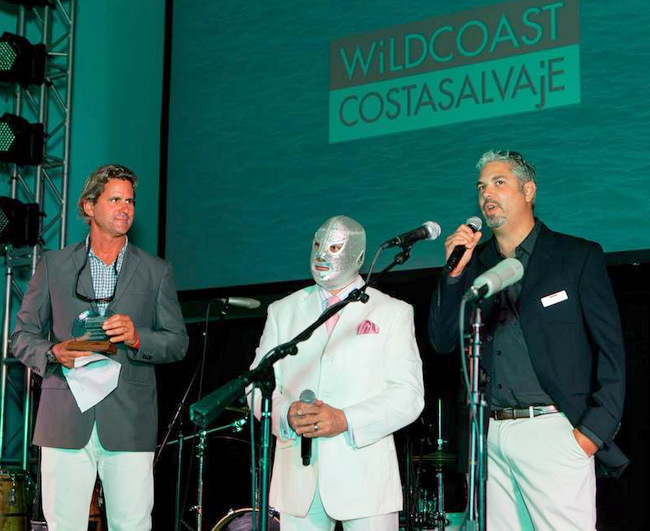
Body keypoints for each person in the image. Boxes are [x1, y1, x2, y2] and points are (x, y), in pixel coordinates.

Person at [428, 150, 628, 530]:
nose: (487, 194)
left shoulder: (576, 257)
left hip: (554, 431)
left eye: (499, 183)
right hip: (489, 437)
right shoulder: (474, 264)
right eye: (481, 187)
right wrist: (453, 275)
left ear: (529, 191)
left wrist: (591, 433)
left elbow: (611, 351)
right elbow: (441, 341)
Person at [12, 164, 189, 530]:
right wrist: (53, 353)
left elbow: (178, 342)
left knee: (132, 524)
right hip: (65, 417)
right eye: (115, 200)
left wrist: (138, 337)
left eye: (130, 201)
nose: (125, 208)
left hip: (129, 420)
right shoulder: (54, 265)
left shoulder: (156, 271)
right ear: (89, 206)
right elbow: (22, 337)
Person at [249, 215, 424, 530]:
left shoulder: (392, 312)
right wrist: (286, 415)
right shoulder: (282, 311)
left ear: (358, 255)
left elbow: (408, 396)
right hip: (297, 478)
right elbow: (255, 386)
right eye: (317, 245)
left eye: (332, 248)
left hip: (366, 480)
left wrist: (345, 419)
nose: (321, 255)